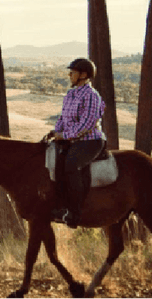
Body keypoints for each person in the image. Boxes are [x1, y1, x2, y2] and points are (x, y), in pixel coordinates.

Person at [49, 58, 106, 228]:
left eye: (72, 72)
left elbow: (87, 123)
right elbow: (63, 117)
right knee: (54, 162)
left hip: (90, 141)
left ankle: (75, 212)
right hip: (70, 138)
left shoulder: (91, 95)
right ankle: (60, 206)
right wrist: (55, 131)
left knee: (71, 165)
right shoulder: (70, 93)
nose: (69, 75)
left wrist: (65, 135)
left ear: (84, 75)